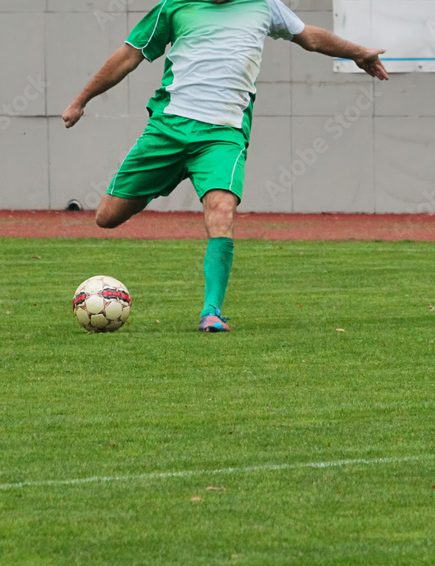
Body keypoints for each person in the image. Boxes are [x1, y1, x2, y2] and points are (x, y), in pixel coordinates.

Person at [63, 0, 388, 332]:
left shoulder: (264, 6)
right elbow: (129, 55)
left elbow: (311, 37)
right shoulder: (174, 6)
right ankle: (168, 174)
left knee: (221, 211)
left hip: (223, 135)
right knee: (107, 217)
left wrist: (358, 52)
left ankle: (211, 312)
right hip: (168, 129)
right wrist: (80, 100)